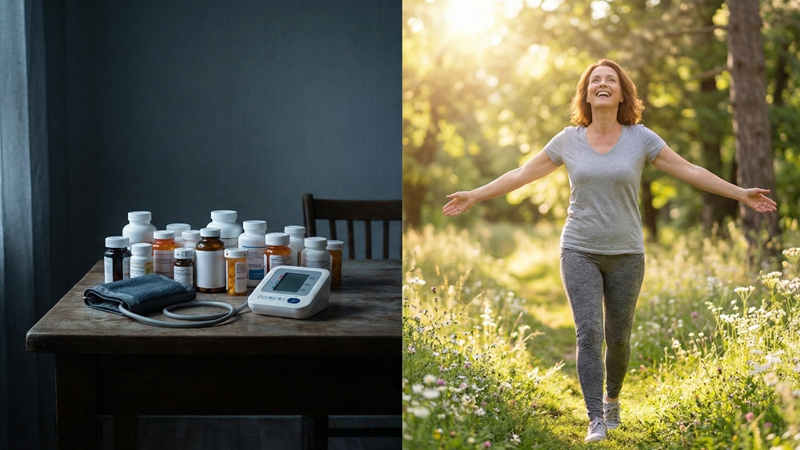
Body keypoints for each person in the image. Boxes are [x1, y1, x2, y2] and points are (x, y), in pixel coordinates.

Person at [442, 59, 777, 443]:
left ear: (621, 93)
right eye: (595, 80)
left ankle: (612, 399)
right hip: (579, 248)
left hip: (627, 253)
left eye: (610, 80)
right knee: (588, 334)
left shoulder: (641, 138)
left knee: (618, 338)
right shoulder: (568, 139)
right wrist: (474, 194)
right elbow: (520, 175)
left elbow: (690, 170)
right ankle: (595, 418)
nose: (602, 84)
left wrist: (739, 193)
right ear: (586, 93)